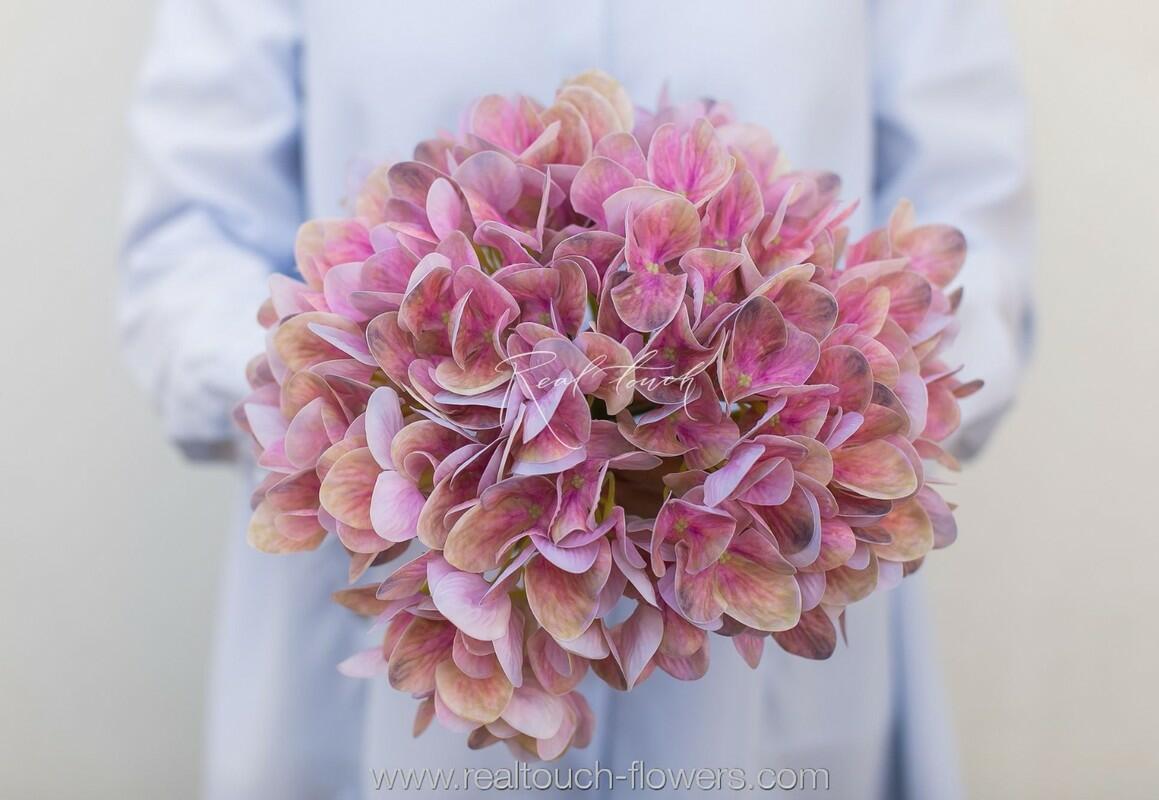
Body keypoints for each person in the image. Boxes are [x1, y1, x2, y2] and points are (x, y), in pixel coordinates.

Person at [119, 1, 1034, 797]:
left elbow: (975, 253)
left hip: (762, 652)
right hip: (398, 619)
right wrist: (382, 386)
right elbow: (179, 257)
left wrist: (808, 399)